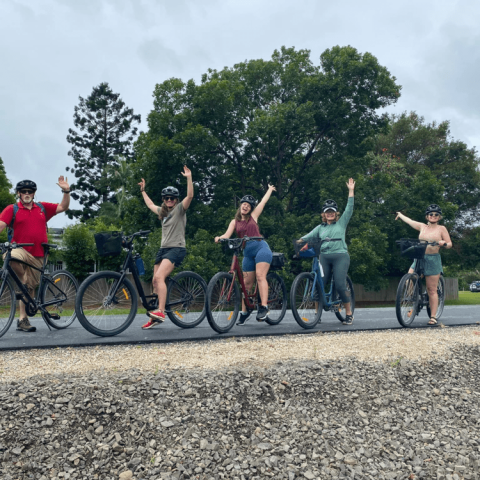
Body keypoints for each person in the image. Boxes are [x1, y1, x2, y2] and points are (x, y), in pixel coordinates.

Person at [0, 177, 71, 332]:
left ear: (34, 194)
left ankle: (24, 320)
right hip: (20, 250)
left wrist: (66, 191)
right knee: (11, 257)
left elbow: (63, 207)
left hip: (39, 255)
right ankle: (22, 316)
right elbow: (1, 224)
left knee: (29, 288)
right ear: (18, 193)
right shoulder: (12, 209)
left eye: (30, 191)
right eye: (24, 191)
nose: (27, 193)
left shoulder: (42, 208)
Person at [138, 166, 193, 329]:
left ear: (176, 200)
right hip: (163, 250)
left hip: (176, 248)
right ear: (164, 199)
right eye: (167, 198)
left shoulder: (179, 210)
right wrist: (143, 191)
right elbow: (149, 205)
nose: (169, 200)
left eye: (172, 198)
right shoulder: (162, 213)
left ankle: (161, 311)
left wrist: (189, 178)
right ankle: (155, 316)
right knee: (155, 282)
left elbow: (190, 196)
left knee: (159, 278)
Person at [215, 185, 276, 324]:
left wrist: (270, 190)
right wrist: (219, 238)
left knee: (260, 276)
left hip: (261, 249)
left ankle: (264, 307)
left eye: (249, 205)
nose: (246, 206)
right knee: (246, 285)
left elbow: (263, 202)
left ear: (251, 209)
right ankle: (244, 311)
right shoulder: (234, 222)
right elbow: (226, 235)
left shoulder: (253, 217)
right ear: (240, 206)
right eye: (244, 204)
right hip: (248, 253)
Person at [300, 178, 355, 325]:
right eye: (327, 212)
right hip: (324, 256)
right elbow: (308, 236)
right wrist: (299, 242)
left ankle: (349, 313)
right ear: (323, 214)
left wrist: (351, 191)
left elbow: (349, 209)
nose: (329, 214)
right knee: (318, 283)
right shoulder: (320, 228)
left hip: (340, 256)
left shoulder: (341, 223)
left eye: (332, 212)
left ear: (335, 214)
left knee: (340, 284)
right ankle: (318, 315)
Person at [395, 204, 452, 325]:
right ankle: (413, 301)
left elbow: (449, 243)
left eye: (436, 214)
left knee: (432, 289)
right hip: (419, 257)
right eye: (431, 214)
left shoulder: (441, 228)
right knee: (409, 279)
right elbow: (410, 221)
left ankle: (433, 316)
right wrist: (400, 215)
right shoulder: (422, 227)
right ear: (427, 216)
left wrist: (444, 243)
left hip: (433, 260)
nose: (433, 216)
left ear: (439, 217)